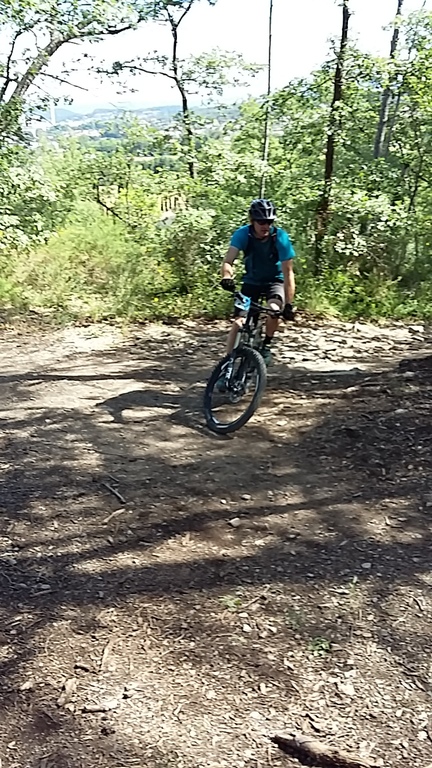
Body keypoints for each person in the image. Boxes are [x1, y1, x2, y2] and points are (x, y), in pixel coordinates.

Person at [220, 198, 295, 366]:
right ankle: (227, 364)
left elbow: (288, 272)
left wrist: (289, 304)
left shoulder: (280, 237)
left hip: (274, 281)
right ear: (252, 221)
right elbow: (228, 261)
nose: (265, 226)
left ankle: (266, 345)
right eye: (261, 222)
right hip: (251, 281)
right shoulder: (243, 234)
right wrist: (226, 277)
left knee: (274, 310)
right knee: (239, 322)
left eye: (269, 222)